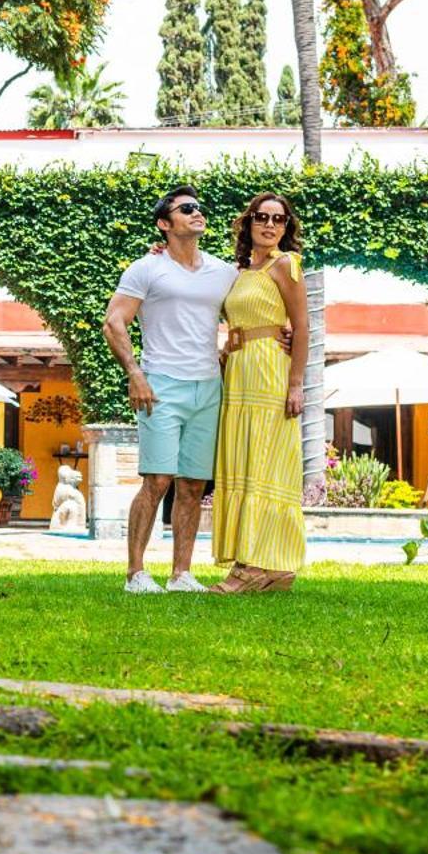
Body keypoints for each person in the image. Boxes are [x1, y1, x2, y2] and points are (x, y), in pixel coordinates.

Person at [104, 187, 236, 593]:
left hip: (208, 386)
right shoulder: (146, 268)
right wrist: (135, 373)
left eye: (199, 208)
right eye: (186, 209)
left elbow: (249, 309)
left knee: (194, 484)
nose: (198, 213)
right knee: (157, 480)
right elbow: (114, 321)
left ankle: (181, 574)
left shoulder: (223, 272)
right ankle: (135, 573)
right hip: (160, 385)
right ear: (164, 224)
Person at [210, 193, 308, 592]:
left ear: (287, 227)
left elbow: (301, 327)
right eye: (262, 217)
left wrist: (297, 383)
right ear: (248, 223)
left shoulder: (286, 264)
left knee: (265, 463)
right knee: (244, 460)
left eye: (279, 220)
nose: (270, 225)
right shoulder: (238, 271)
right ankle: (267, 568)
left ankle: (257, 565)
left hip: (270, 371)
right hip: (238, 372)